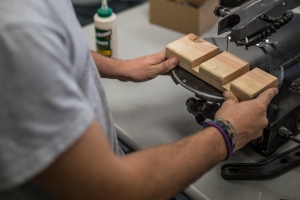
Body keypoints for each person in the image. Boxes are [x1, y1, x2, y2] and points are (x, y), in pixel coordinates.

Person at [0, 0, 278, 199]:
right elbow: (110, 189)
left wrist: (120, 68)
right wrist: (228, 134)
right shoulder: (16, 30)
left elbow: (55, 49)